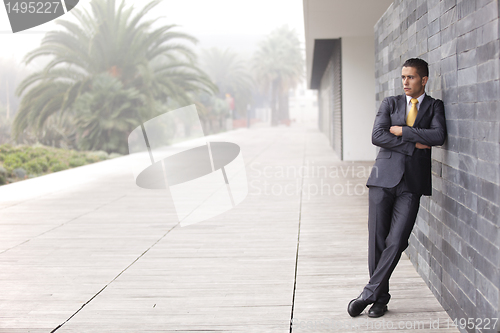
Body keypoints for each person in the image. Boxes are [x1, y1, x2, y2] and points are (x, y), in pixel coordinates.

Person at [347, 58, 447, 318]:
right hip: (383, 179)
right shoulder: (390, 103)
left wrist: (403, 130)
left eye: (411, 77)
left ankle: (368, 293)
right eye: (403, 77)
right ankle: (380, 300)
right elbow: (377, 135)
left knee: (397, 239)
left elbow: (438, 136)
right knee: (377, 241)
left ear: (423, 80)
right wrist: (413, 144)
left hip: (412, 184)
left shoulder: (435, 106)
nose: (405, 82)